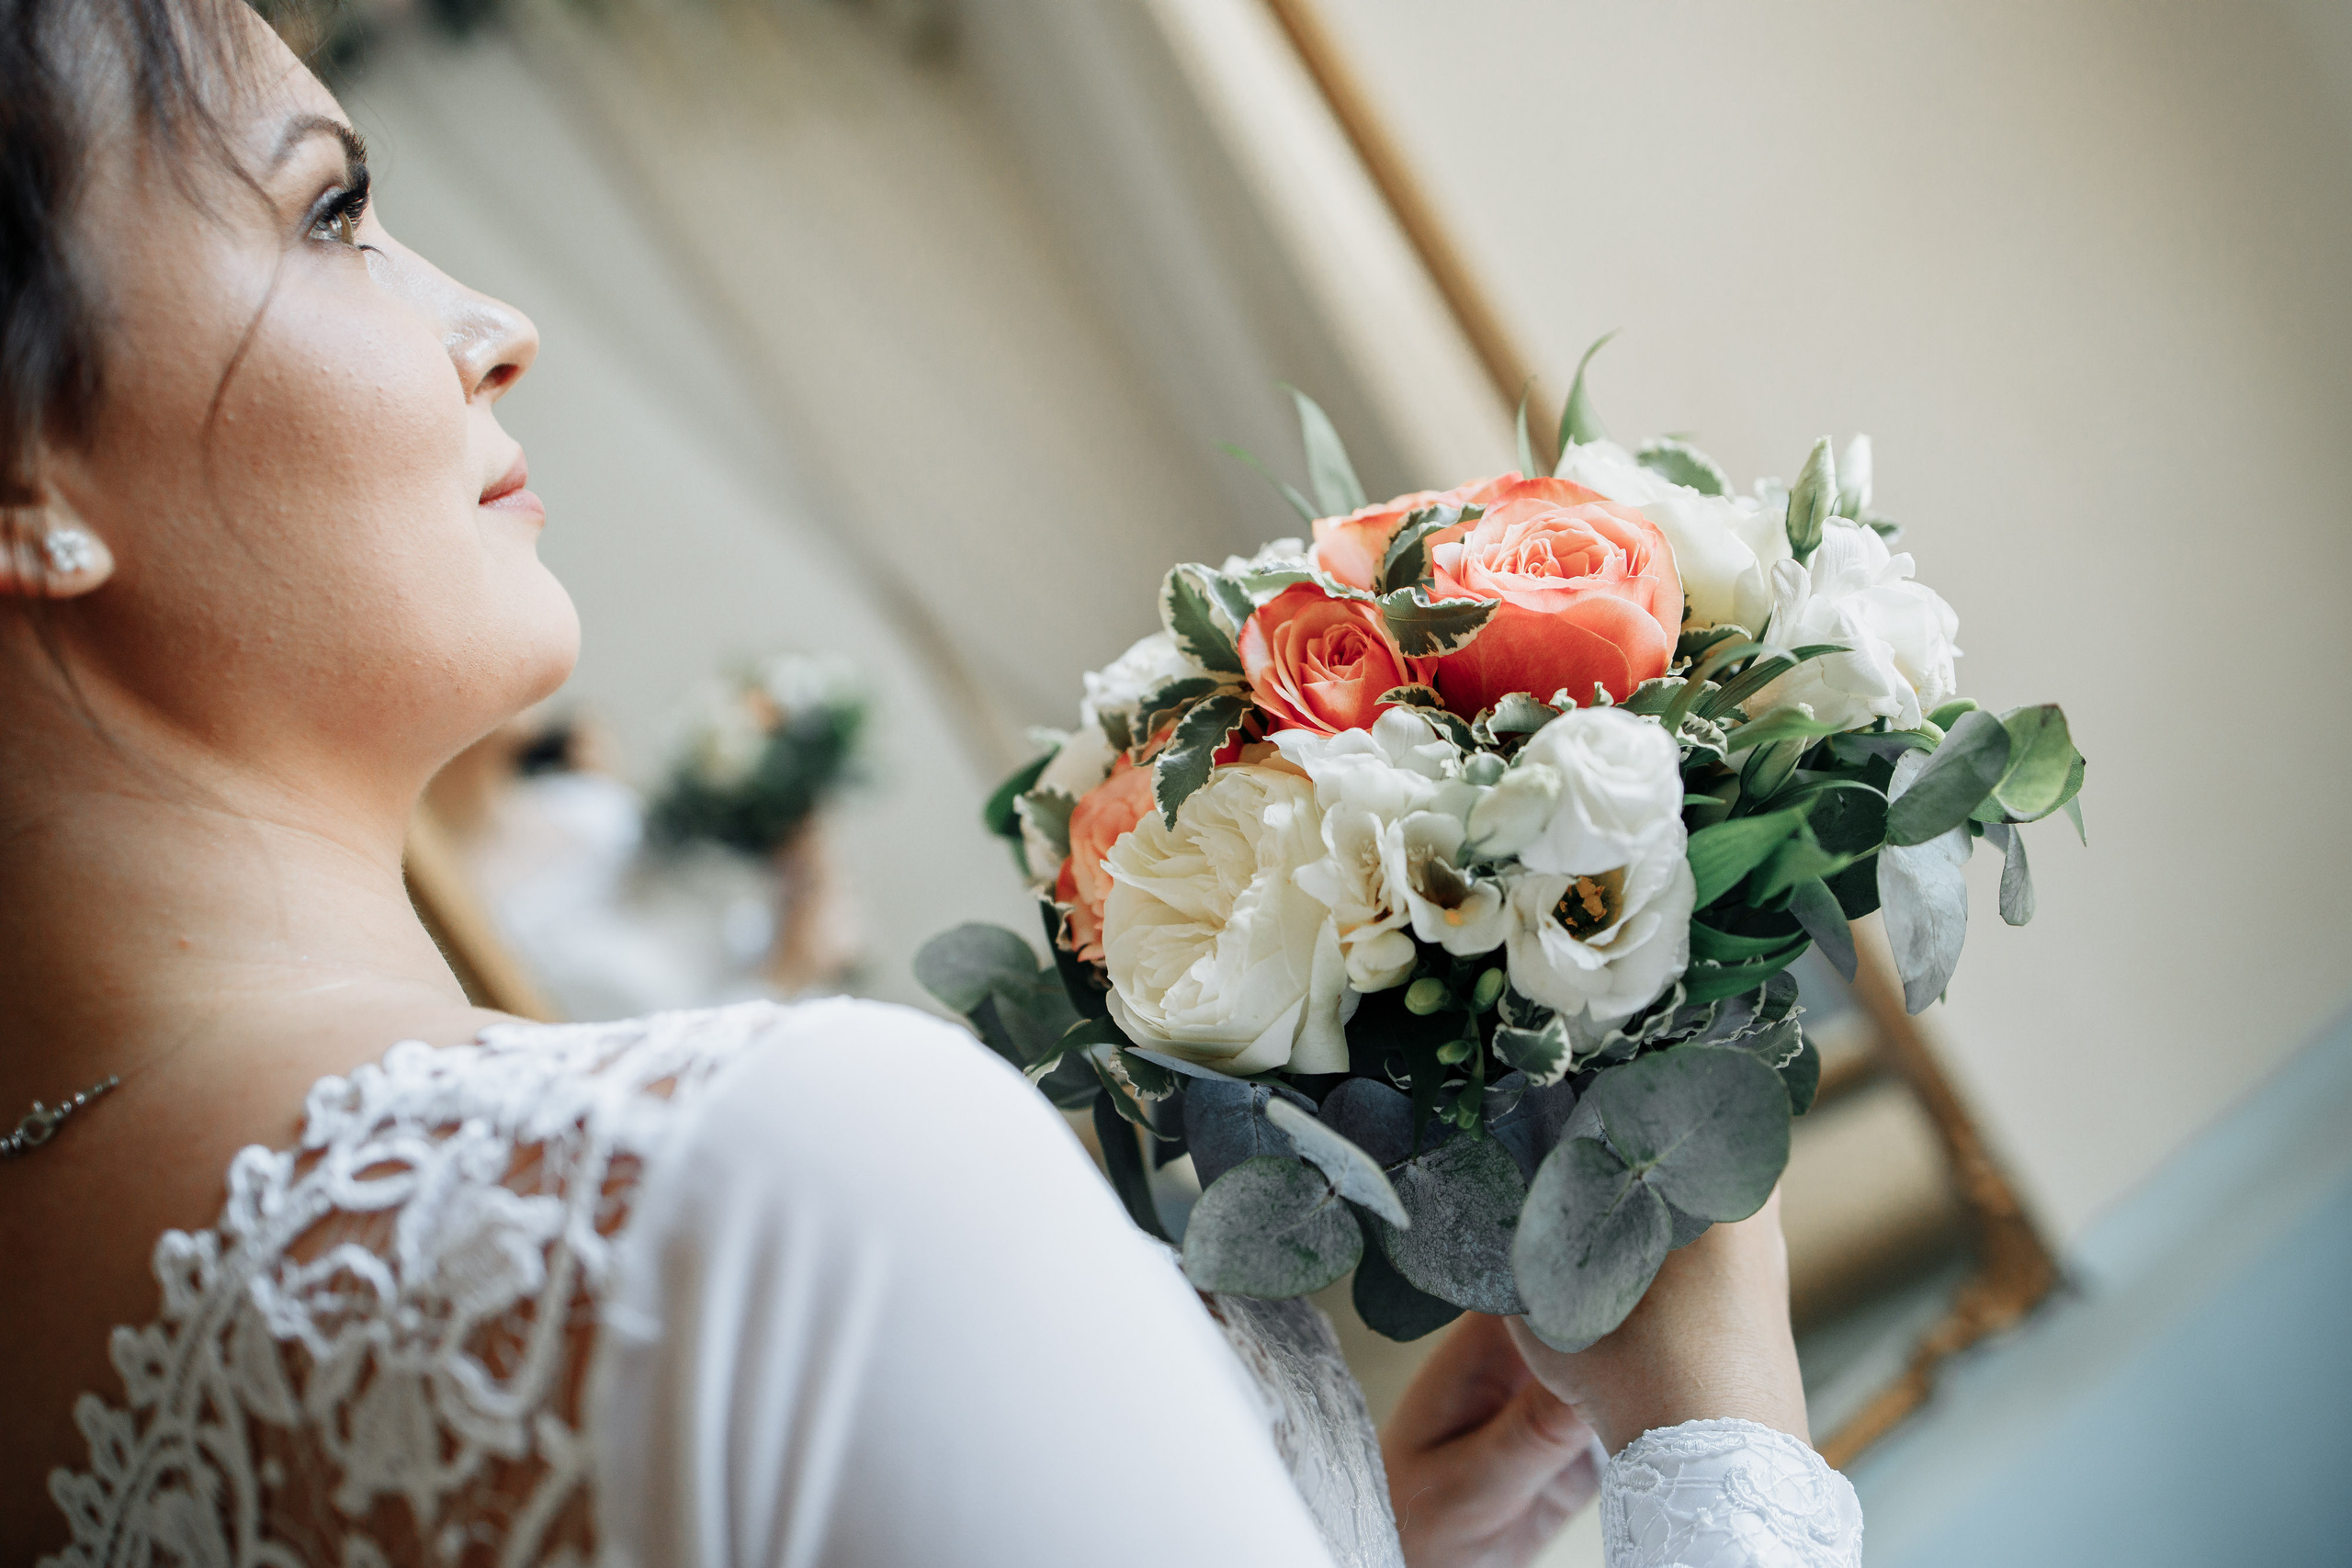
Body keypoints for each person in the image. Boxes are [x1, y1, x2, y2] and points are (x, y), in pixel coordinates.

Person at [0, 0, 1859, 1562]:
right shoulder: (777, 1180)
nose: (491, 319)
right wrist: (1718, 1446)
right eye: (332, 211)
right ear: (26, 488)